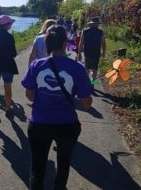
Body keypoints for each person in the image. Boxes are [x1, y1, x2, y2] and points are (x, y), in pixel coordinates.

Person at [21, 24, 93, 190]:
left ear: (47, 43)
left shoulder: (36, 65)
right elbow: (86, 103)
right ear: (65, 43)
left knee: (37, 169)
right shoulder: (77, 68)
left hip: (39, 123)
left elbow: (29, 95)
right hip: (67, 125)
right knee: (63, 164)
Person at [77, 17, 106, 81]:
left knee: (90, 67)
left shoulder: (85, 31)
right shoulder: (100, 32)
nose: (97, 25)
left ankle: (89, 82)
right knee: (93, 68)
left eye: (97, 24)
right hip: (93, 52)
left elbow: (81, 43)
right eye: (96, 23)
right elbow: (103, 43)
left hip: (89, 52)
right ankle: (92, 81)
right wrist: (104, 52)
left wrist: (79, 53)